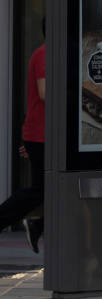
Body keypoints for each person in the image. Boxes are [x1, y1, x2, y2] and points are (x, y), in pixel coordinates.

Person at [0, 19, 46, 254]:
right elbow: (45, 91)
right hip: (40, 134)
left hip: (42, 134)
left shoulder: (47, 53)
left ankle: (38, 224)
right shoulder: (45, 53)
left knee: (48, 188)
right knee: (42, 189)